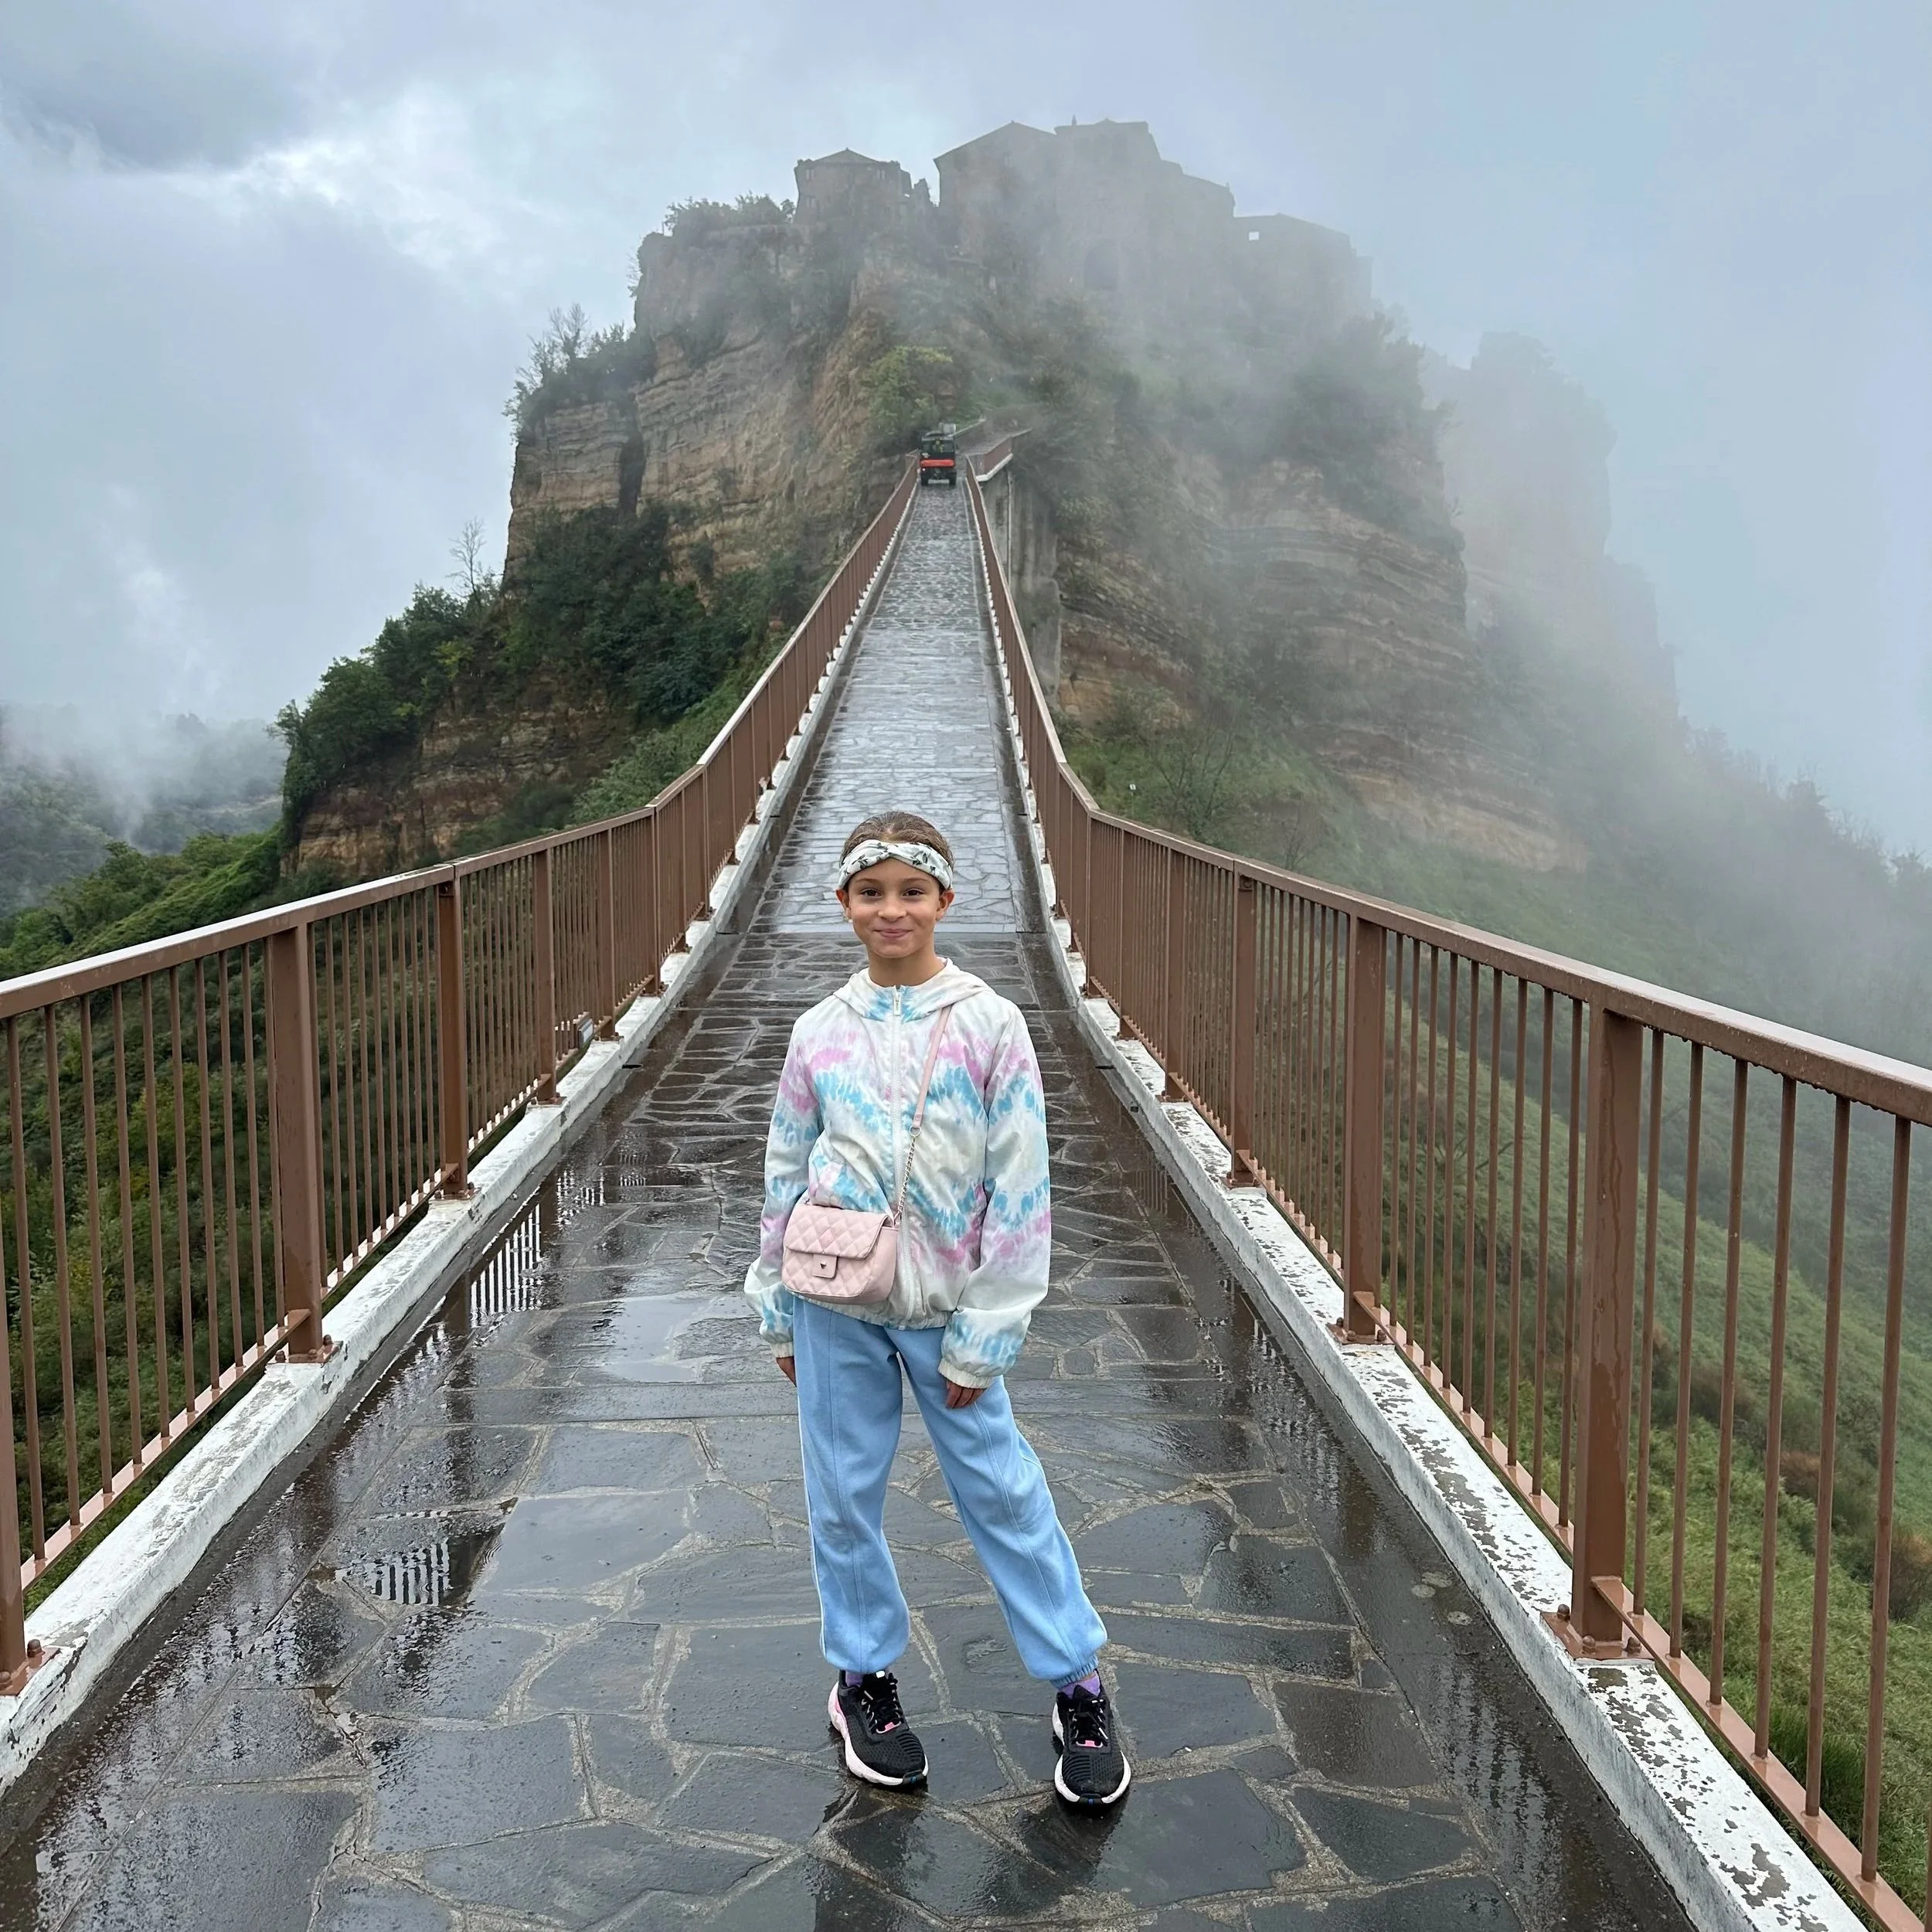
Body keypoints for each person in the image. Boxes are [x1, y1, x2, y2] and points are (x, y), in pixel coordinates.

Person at [743, 810, 1131, 1808]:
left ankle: (1078, 1684)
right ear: (844, 904)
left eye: (912, 891)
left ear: (944, 900)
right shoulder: (818, 1032)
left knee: (1003, 1490)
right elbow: (786, 1170)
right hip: (834, 1302)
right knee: (842, 1497)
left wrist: (986, 1334)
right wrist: (776, 1305)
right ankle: (863, 1680)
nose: (892, 910)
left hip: (949, 1311)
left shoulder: (991, 1025)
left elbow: (1022, 1187)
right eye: (871, 892)